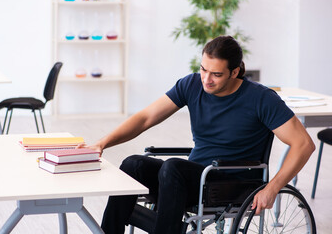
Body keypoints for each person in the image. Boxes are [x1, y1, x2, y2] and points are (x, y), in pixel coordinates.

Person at [83, 36, 315, 234]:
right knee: (133, 164)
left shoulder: (261, 99)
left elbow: (303, 144)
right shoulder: (192, 85)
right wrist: (102, 143)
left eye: (216, 74)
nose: (206, 79)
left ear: (235, 72)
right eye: (203, 69)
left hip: (230, 181)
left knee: (173, 168)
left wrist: (272, 188)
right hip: (193, 178)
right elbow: (145, 118)